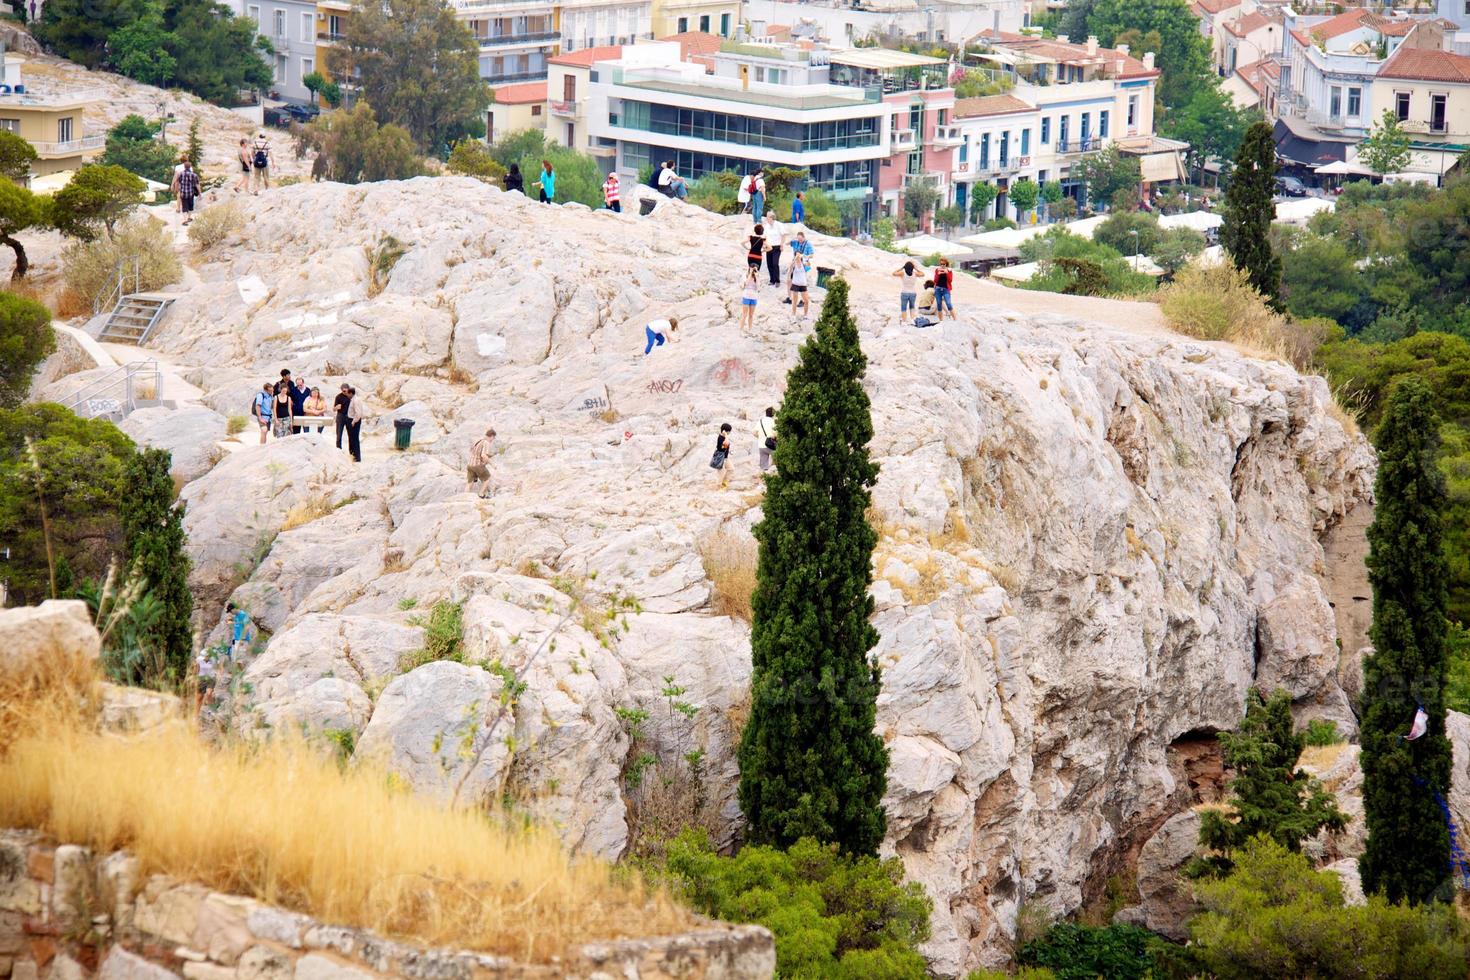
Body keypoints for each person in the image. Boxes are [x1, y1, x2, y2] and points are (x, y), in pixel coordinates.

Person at [784, 230, 813, 305]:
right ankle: (789, 298)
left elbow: (812, 255)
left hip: (803, 265)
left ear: (804, 237)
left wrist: (804, 256)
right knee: (789, 281)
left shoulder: (808, 244)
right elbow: (786, 243)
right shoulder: (795, 242)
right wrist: (794, 238)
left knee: (802, 283)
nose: (799, 241)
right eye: (798, 239)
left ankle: (802, 300)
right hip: (794, 263)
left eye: (801, 239)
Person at [892, 260, 925, 324]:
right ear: (912, 267)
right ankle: (912, 320)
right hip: (913, 292)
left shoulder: (902, 273)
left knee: (904, 307)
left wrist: (901, 268)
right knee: (912, 307)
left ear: (905, 267)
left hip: (904, 292)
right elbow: (923, 274)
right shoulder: (915, 273)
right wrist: (916, 268)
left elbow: (894, 273)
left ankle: (904, 321)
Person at [466, 427, 496, 498]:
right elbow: (483, 455)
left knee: (470, 482)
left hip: (470, 464)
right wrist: (492, 464)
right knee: (487, 478)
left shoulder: (479, 441)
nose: (493, 440)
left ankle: (465, 497)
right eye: (493, 438)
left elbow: (471, 450)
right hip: (477, 465)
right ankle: (481, 494)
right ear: (491, 436)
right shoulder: (486, 443)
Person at [177, 161, 201, 226]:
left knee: (184, 206)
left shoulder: (181, 174)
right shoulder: (194, 175)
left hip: (183, 193)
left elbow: (179, 183)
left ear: (184, 167)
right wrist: (200, 193)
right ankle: (189, 217)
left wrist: (179, 191)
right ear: (190, 167)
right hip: (191, 193)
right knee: (191, 205)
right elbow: (197, 185)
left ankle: (185, 220)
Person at [763, 213, 783, 286]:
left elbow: (784, 235)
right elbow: (764, 236)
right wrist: (764, 245)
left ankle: (777, 281)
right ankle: (772, 280)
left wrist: (782, 244)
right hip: (769, 247)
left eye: (767, 217)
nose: (766, 218)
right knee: (769, 264)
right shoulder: (766, 226)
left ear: (771, 218)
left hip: (777, 247)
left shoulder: (779, 225)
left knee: (775, 263)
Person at [789, 251, 810, 320]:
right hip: (795, 284)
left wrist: (803, 257)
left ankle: (805, 315)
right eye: (796, 254)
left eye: (799, 254)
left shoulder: (803, 263)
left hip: (803, 284)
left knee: (806, 301)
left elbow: (809, 265)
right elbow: (790, 268)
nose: (798, 255)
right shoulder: (793, 263)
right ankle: (793, 315)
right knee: (795, 301)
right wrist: (795, 258)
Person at [712, 422, 733, 488]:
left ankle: (724, 483)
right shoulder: (721, 438)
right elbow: (725, 444)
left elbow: (725, 447)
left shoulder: (724, 437)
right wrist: (726, 435)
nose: (730, 433)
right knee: (720, 473)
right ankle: (719, 486)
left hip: (725, 457)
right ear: (726, 431)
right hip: (720, 458)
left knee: (731, 469)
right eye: (729, 431)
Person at [345, 386, 364, 462]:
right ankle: (352, 454)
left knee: (355, 439)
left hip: (354, 421)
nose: (347, 395)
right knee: (351, 438)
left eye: (348, 394)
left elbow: (358, 413)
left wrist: (353, 421)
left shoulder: (356, 400)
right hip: (352, 419)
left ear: (351, 393)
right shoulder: (353, 399)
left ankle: (357, 457)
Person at [333, 382, 352, 449]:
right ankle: (338, 449)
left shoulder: (351, 396)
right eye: (343, 390)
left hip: (349, 416)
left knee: (351, 435)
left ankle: (351, 450)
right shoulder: (338, 397)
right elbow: (334, 409)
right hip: (340, 416)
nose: (344, 392)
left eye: (346, 390)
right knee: (339, 434)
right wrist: (336, 407)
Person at [758, 406, 777, 472]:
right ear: (773, 414)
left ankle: (762, 480)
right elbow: (776, 433)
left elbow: (754, 432)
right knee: (776, 465)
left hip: (761, 445)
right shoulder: (773, 422)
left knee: (763, 468)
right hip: (771, 445)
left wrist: (760, 437)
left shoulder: (760, 421)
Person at [739, 266, 758, 331]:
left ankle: (750, 329)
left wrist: (757, 277)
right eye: (752, 269)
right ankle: (741, 329)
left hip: (754, 297)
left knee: (751, 315)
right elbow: (746, 284)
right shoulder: (745, 275)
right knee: (744, 314)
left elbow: (758, 288)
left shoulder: (757, 276)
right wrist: (750, 274)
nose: (753, 271)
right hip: (746, 296)